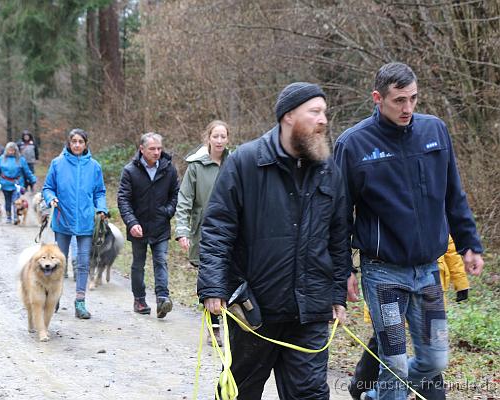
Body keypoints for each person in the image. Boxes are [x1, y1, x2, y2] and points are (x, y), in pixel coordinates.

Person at [334, 62, 484, 400]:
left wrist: (469, 244)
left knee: (434, 360)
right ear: (377, 98)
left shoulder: (435, 132)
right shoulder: (353, 145)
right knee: (395, 364)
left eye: (413, 99)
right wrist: (344, 270)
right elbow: (338, 217)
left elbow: (453, 195)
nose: (408, 108)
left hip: (428, 272)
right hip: (384, 273)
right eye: (399, 100)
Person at [198, 82, 350, 399]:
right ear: (288, 116)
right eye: (315, 112)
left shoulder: (329, 171)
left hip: (311, 311)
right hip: (255, 309)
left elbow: (338, 237)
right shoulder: (245, 162)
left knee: (309, 393)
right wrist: (213, 286)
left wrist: (337, 292)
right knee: (241, 391)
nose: (324, 120)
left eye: (325, 112)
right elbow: (217, 227)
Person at [349, 236, 470, 400]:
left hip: (428, 282)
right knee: (389, 355)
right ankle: (360, 387)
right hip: (387, 279)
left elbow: (449, 246)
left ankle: (372, 393)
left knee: (431, 358)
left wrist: (460, 281)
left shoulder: (436, 220)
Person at [175, 120, 230, 345]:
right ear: (207, 138)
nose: (218, 141)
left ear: (228, 139)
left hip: (232, 231)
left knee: (231, 278)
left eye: (222, 136)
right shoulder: (196, 166)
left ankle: (234, 325)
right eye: (215, 136)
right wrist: (182, 231)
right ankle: (214, 328)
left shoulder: (234, 162)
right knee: (211, 280)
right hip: (204, 233)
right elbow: (185, 200)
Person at [42, 128, 107, 319]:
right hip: (63, 219)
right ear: (69, 144)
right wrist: (51, 198)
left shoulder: (94, 166)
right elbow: (48, 187)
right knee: (57, 262)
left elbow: (100, 192)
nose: (77, 145)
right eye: (74, 142)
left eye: (81, 141)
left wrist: (101, 208)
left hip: (86, 220)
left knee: (83, 262)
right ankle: (54, 296)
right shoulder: (57, 163)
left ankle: (80, 302)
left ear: (86, 144)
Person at [117, 132, 179, 319]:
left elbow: (175, 194)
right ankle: (139, 299)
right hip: (138, 227)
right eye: (152, 149)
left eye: (159, 148)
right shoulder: (130, 171)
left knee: (161, 261)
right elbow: (123, 199)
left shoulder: (169, 169)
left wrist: (168, 211)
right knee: (138, 265)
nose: (157, 152)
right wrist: (131, 222)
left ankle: (162, 298)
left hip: (161, 225)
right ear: (142, 149)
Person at [0, 142, 37, 223]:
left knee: (16, 201)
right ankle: (8, 216)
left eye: (13, 150)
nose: (11, 152)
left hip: (17, 183)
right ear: (6, 150)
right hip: (5, 183)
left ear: (16, 150)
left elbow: (27, 172)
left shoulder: (21, 159)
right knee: (7, 201)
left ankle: (16, 217)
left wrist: (33, 180)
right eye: (9, 150)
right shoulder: (1, 159)